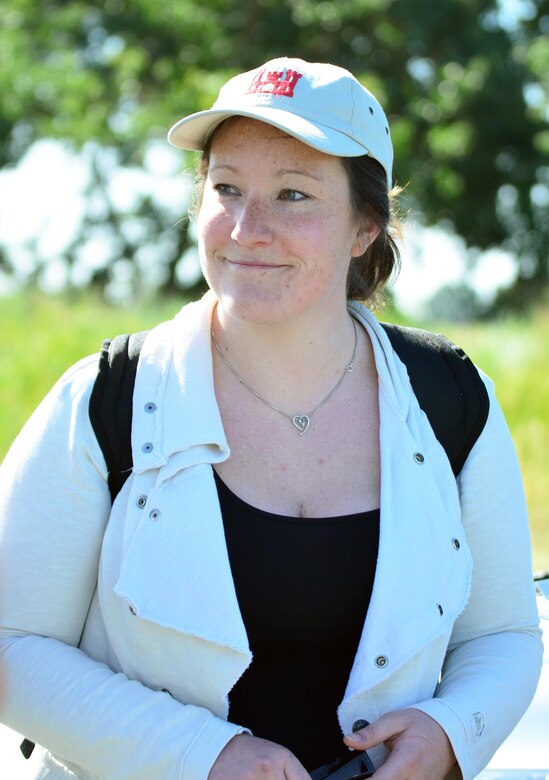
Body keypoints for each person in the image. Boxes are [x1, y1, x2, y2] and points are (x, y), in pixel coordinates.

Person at [0, 57, 542, 780]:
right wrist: (198, 754)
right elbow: (11, 640)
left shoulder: (448, 399)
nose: (246, 228)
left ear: (364, 228)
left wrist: (450, 731)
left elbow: (501, 633)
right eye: (225, 188)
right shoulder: (108, 398)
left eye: (292, 195)